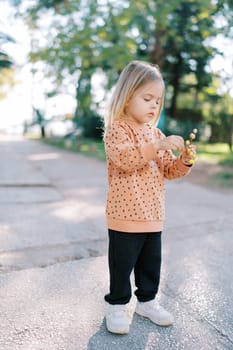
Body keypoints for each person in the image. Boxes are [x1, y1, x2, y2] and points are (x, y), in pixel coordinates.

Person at [103, 60, 196, 334]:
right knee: (122, 266)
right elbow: (125, 159)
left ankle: (147, 301)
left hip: (153, 216)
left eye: (158, 100)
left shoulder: (157, 133)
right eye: (147, 98)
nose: (154, 105)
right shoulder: (117, 130)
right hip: (124, 216)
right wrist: (157, 145)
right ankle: (117, 305)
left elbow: (168, 169)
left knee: (150, 266)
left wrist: (185, 162)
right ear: (127, 95)